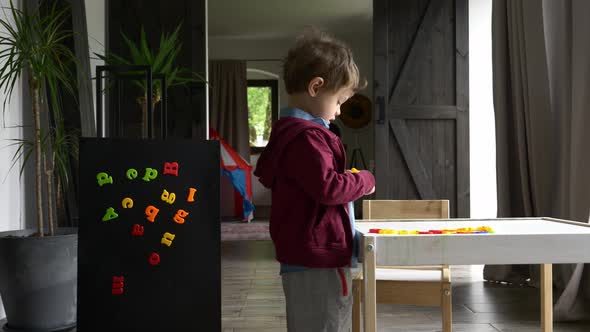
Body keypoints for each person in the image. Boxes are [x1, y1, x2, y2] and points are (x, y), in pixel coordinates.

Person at [254, 28, 375, 332]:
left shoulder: (294, 135)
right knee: (326, 322)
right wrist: (365, 181)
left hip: (308, 254)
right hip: (318, 257)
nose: (337, 112)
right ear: (316, 87)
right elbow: (329, 188)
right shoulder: (307, 139)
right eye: (338, 102)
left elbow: (319, 182)